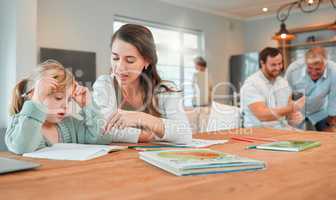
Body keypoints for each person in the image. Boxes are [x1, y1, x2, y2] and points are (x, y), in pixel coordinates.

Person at [92, 24, 192, 144]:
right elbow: (102, 129)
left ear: (147, 61)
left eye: (130, 60)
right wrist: (142, 135)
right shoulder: (105, 85)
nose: (120, 68)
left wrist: (141, 118)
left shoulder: (165, 90)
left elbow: (185, 134)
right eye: (115, 58)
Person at [5, 60, 105, 154]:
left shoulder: (71, 124)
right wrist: (36, 102)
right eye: (58, 98)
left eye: (69, 100)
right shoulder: (19, 124)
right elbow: (22, 147)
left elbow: (102, 138)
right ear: (34, 96)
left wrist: (87, 106)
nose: (66, 105)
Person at [240, 47, 304, 129]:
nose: (277, 68)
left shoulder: (283, 83)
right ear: (262, 63)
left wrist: (293, 117)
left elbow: (287, 113)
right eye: (273, 65)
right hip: (259, 132)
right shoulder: (252, 84)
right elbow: (262, 115)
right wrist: (291, 108)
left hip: (282, 130)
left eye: (280, 64)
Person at [285, 47, 336, 131]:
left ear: (325, 64)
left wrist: (331, 121)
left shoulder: (334, 71)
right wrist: (288, 113)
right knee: (295, 139)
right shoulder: (293, 70)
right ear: (305, 63)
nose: (313, 73)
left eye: (318, 69)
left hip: (320, 112)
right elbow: (285, 94)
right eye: (310, 68)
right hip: (297, 112)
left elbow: (334, 98)